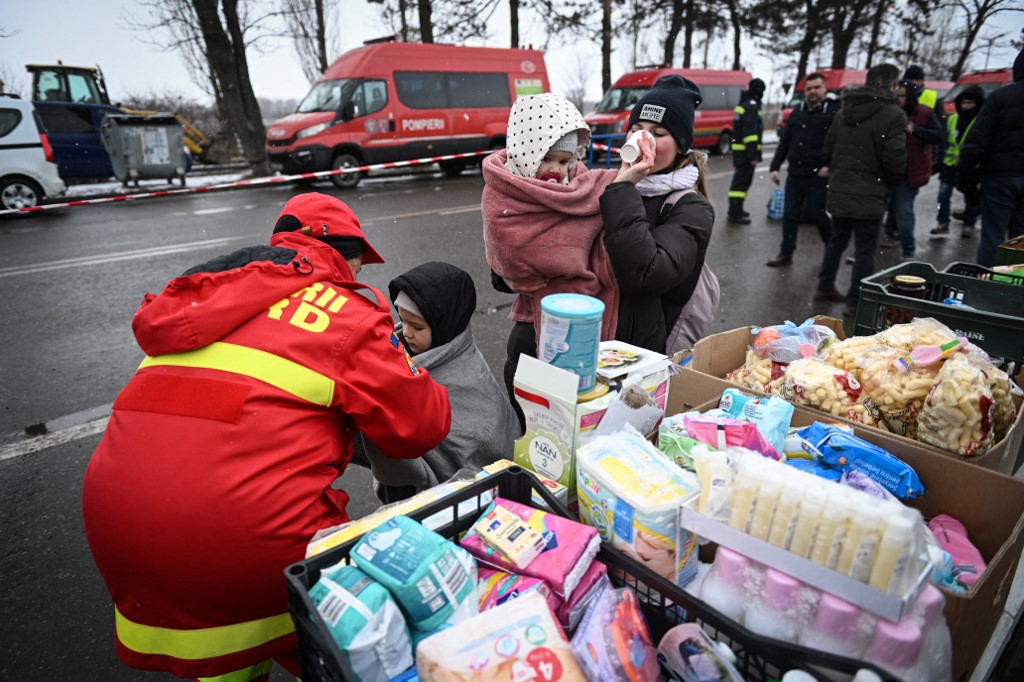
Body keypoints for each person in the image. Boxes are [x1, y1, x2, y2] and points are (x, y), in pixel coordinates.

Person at [82, 192, 452, 680]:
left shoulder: (206, 300)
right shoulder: (345, 313)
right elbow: (421, 426)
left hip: (120, 528)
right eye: (358, 266)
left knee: (224, 654)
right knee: (350, 650)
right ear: (345, 256)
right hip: (245, 540)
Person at [481, 93, 620, 410]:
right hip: (533, 335)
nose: (556, 170)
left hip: (576, 331)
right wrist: (508, 276)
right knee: (537, 425)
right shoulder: (506, 192)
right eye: (547, 158)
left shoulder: (579, 183)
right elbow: (516, 251)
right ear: (526, 151)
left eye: (564, 160)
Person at [361, 261, 522, 504]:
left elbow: (484, 441)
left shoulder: (465, 372)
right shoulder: (394, 351)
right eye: (403, 321)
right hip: (403, 477)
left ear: (444, 325)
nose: (407, 332)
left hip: (448, 497)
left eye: (417, 326)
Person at [599, 74, 717, 354]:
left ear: (681, 146)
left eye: (658, 133)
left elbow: (647, 275)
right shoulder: (607, 185)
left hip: (637, 352)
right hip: (592, 334)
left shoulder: (693, 209)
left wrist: (624, 189)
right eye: (636, 128)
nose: (643, 139)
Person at [815, 63, 907, 318]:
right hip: (871, 193)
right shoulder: (893, 115)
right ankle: (856, 301)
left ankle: (825, 286)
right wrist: (892, 180)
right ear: (892, 85)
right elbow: (895, 158)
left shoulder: (844, 111)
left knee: (837, 241)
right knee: (865, 249)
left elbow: (828, 148)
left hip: (841, 189)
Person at [766, 72, 841, 267]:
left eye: (816, 87)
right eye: (809, 89)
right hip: (795, 174)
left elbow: (841, 143)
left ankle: (831, 249)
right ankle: (786, 253)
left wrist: (830, 166)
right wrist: (775, 166)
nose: (812, 92)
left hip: (818, 174)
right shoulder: (797, 113)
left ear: (825, 88)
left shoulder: (834, 111)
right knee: (790, 215)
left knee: (818, 213)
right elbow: (785, 142)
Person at [959, 47, 1024, 268]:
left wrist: (966, 177)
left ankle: (987, 287)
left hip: (999, 177)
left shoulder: (1000, 98)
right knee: (1020, 240)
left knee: (993, 237)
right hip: (1003, 175)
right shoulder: (1000, 98)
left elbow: (976, 142)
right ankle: (1015, 290)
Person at [889, 78, 943, 261]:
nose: (899, 99)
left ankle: (908, 248)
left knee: (903, 209)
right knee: (888, 208)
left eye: (902, 96)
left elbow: (938, 136)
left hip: (910, 172)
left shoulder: (925, 113)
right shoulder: (890, 112)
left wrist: (916, 130)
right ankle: (889, 235)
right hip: (889, 170)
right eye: (896, 95)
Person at [931, 85, 985, 239]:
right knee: (943, 195)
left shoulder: (980, 121)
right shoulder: (952, 119)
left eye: (970, 103)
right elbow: (944, 142)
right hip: (950, 165)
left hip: (971, 167)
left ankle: (969, 224)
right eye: (963, 103)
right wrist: (939, 162)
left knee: (970, 198)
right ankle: (943, 223)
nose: (965, 106)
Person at [727, 77, 766, 224]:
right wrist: (753, 156)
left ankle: (737, 209)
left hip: (740, 152)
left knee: (740, 183)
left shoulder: (743, 104)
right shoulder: (751, 106)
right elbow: (750, 134)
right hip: (745, 154)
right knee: (741, 184)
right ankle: (735, 213)